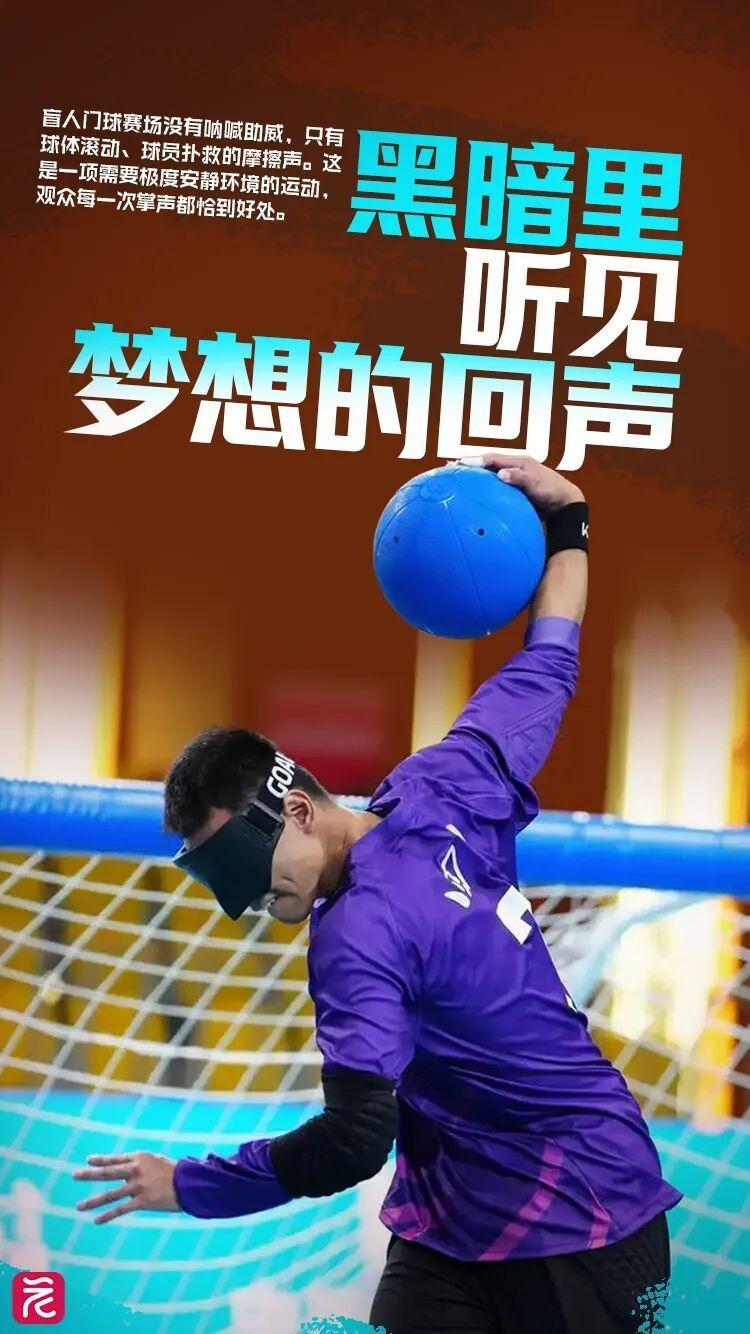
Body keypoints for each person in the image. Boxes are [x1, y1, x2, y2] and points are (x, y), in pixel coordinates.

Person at [74, 455, 681, 1333]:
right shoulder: (445, 781)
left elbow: (354, 1140)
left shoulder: (357, 932)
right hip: (452, 1224)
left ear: (296, 809)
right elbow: (549, 657)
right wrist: (570, 519)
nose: (245, 902)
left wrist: (190, 1185)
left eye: (243, 869)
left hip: (579, 1221)